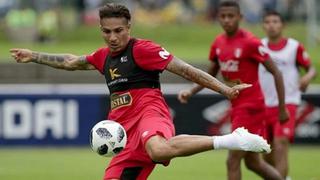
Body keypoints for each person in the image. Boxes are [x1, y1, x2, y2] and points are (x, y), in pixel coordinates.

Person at [10, 3, 271, 180]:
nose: (112, 37)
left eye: (118, 31)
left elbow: (185, 69)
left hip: (150, 113)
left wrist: (225, 90)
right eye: (107, 31)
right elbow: (70, 62)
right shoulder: (103, 57)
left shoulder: (142, 49)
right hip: (122, 133)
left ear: (129, 28)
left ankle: (231, 139)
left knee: (158, 149)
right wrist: (34, 55)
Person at [178, 1, 288, 180]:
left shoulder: (250, 42)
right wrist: (191, 91)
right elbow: (210, 75)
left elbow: (276, 72)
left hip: (251, 107)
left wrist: (282, 108)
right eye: (223, 16)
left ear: (240, 18)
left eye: (231, 16)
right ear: (218, 18)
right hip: (237, 106)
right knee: (253, 163)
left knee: (232, 160)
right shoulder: (218, 42)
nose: (227, 20)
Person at [259, 11, 317, 179]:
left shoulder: (294, 46)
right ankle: (282, 177)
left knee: (281, 144)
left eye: (275, 21)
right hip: (263, 105)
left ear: (282, 25)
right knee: (266, 151)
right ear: (263, 25)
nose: (271, 25)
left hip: (287, 103)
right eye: (268, 21)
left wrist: (307, 77)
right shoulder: (258, 46)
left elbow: (311, 69)